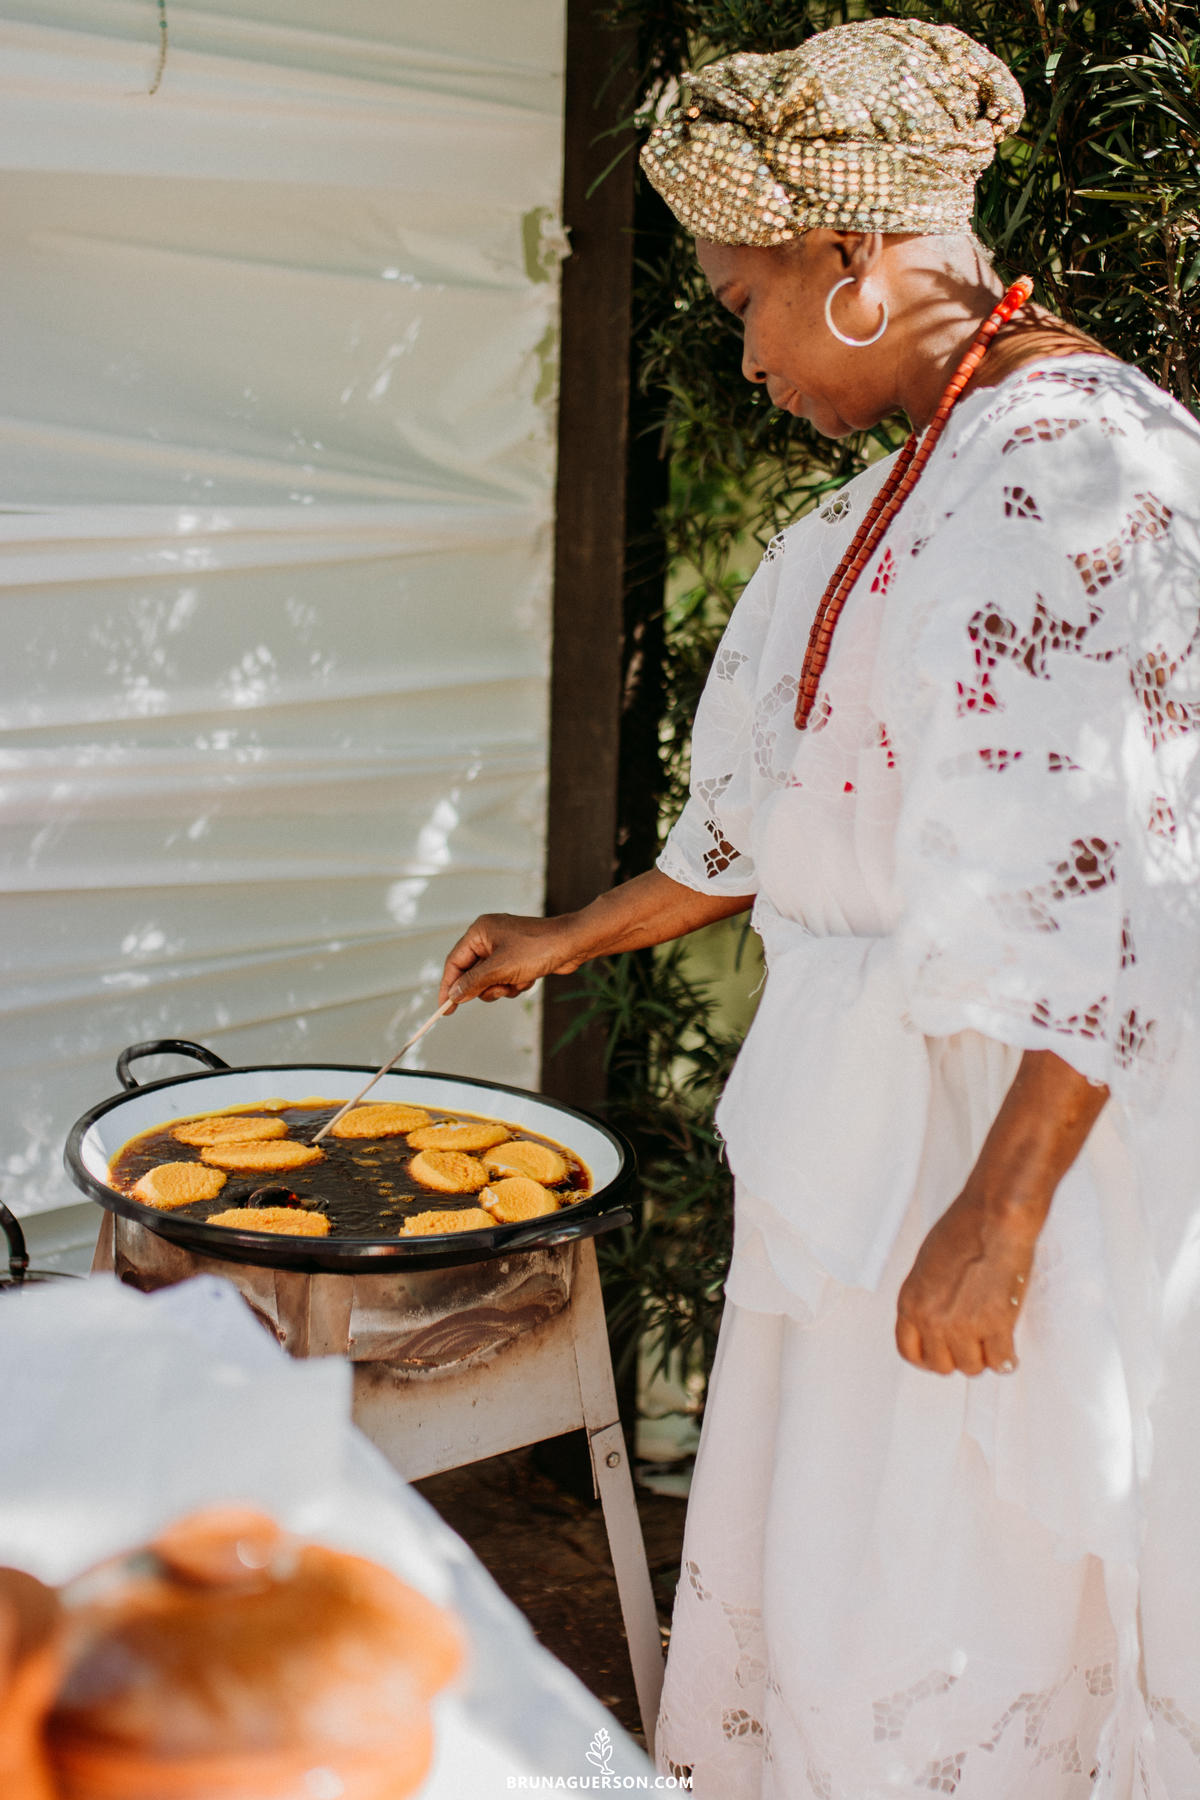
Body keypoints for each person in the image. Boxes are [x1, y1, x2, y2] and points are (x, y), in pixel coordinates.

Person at [438, 18, 1200, 1797]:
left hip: (1007, 1156)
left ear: (851, 265)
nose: (747, 348)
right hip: (879, 1154)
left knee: (961, 1595)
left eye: (743, 301)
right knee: (842, 1571)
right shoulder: (924, 472)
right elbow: (792, 818)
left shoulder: (1081, 483)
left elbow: (1135, 885)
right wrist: (572, 936)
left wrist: (1002, 1218)